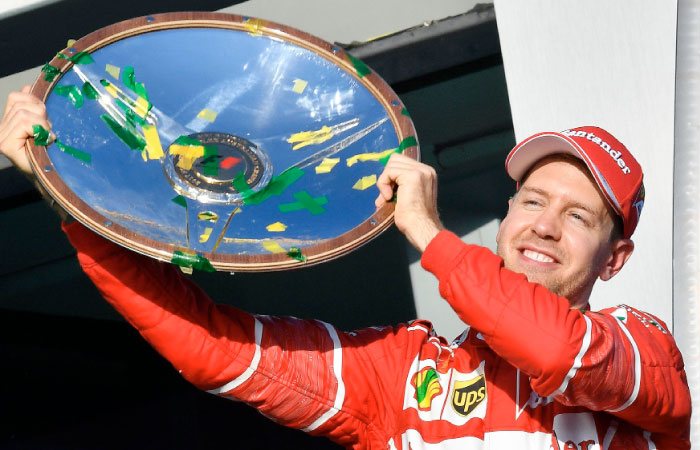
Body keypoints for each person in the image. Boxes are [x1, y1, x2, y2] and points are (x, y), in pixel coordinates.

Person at [0, 86, 691, 449]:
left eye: (578, 217)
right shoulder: (405, 371)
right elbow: (214, 348)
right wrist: (61, 192)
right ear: (508, 216)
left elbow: (555, 348)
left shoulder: (645, 350)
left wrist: (428, 233)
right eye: (532, 201)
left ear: (616, 256)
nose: (543, 224)